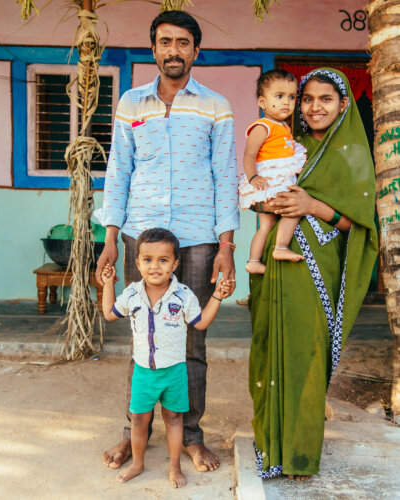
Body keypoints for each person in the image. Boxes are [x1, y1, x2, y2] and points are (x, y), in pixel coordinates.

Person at [95, 10, 239, 473]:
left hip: (198, 237)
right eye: (164, 42)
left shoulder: (215, 106)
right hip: (141, 233)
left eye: (182, 42)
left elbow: (224, 175)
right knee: (142, 338)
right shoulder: (131, 104)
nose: (173, 50)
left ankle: (191, 436)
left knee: (192, 341)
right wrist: (111, 238)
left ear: (196, 51)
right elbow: (119, 172)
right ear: (153, 49)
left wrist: (227, 245)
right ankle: (131, 433)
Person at [249, 68, 377, 480]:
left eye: (326, 99)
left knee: (307, 355)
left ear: (343, 104)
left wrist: (312, 205)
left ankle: (301, 454)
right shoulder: (289, 143)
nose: (314, 107)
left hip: (317, 267)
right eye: (307, 99)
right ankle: (271, 444)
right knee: (272, 351)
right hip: (277, 264)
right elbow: (260, 193)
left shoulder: (353, 154)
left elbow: (360, 224)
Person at [100, 228, 231, 487]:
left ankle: (174, 467)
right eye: (147, 260)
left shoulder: (183, 295)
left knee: (174, 419)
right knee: (139, 419)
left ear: (175, 264)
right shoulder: (132, 294)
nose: (155, 266)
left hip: (174, 373)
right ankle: (138, 463)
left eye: (163, 260)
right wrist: (107, 285)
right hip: (144, 373)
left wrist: (216, 295)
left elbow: (201, 322)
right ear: (137, 263)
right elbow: (109, 314)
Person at [239, 69, 308, 274]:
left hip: (275, 180)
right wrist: (253, 177)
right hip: (267, 182)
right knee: (292, 210)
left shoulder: (283, 126)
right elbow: (249, 155)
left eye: (291, 97)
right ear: (262, 102)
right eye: (279, 96)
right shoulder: (263, 126)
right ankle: (280, 247)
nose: (287, 102)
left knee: (265, 226)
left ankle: (253, 261)